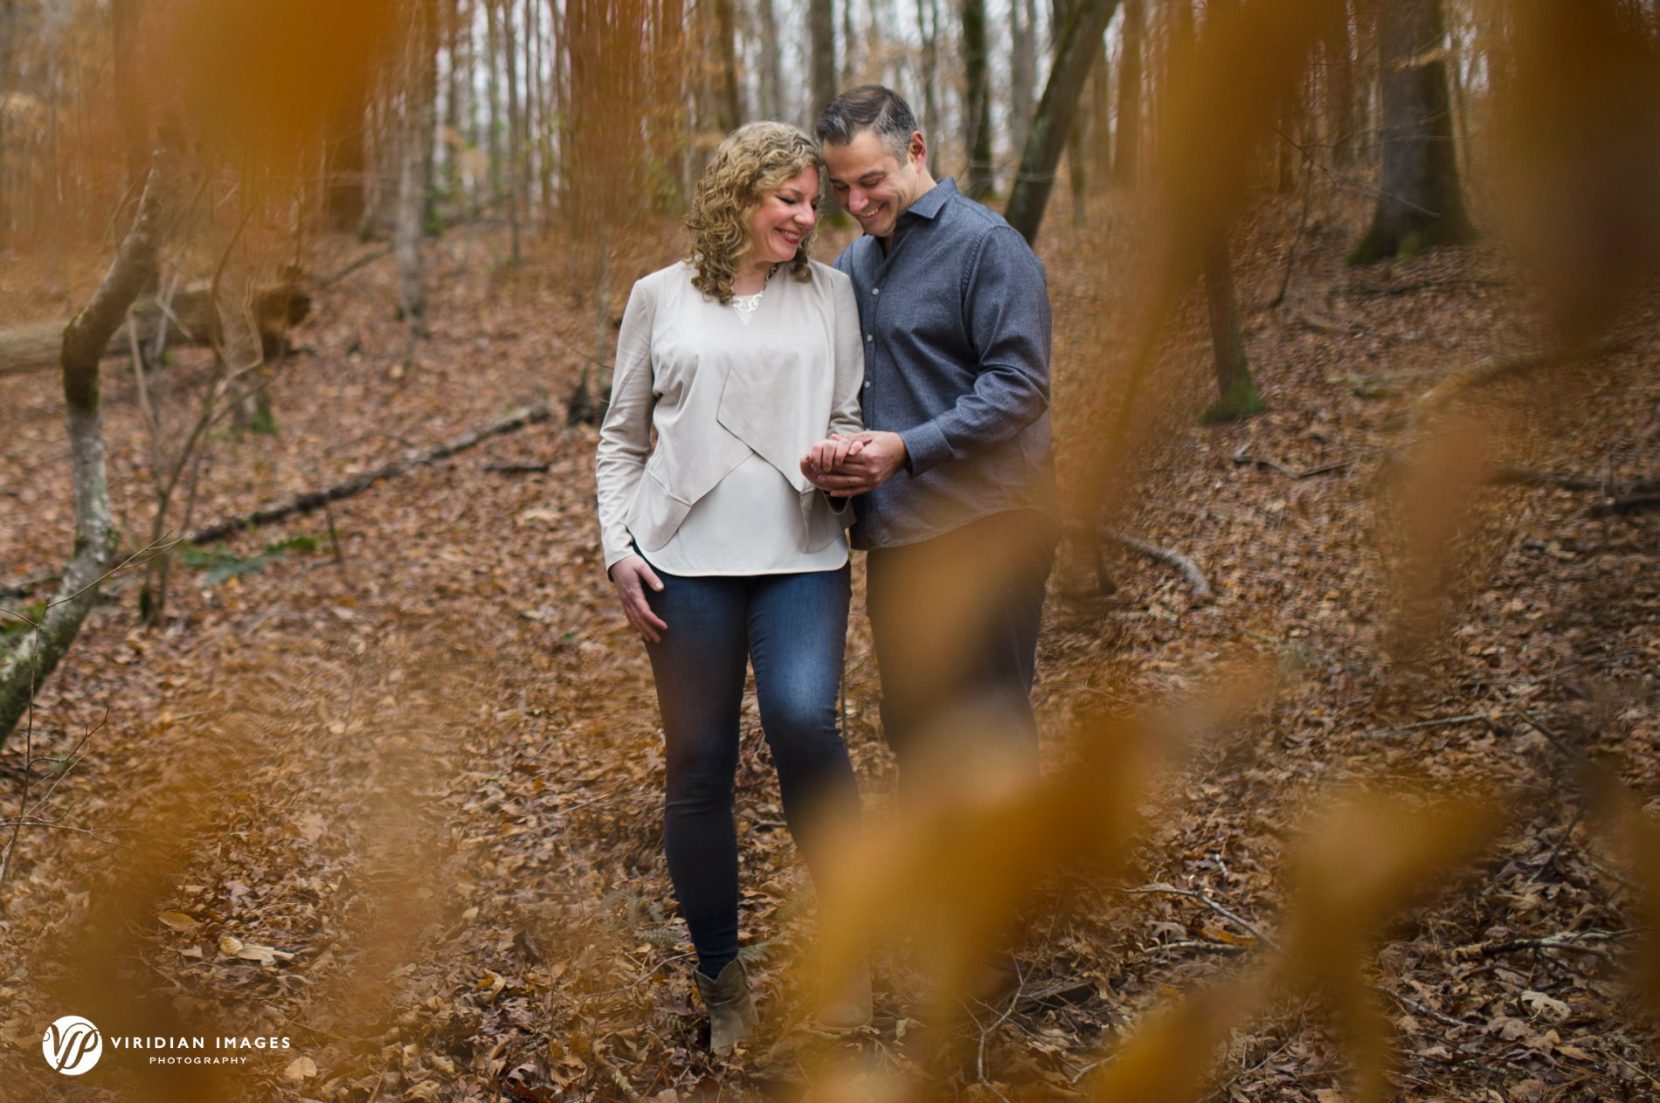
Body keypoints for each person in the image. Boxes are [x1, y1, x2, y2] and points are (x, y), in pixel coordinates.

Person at [594, 122, 870, 1055]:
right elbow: (621, 439)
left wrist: (840, 463)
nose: (806, 217)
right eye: (788, 199)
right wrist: (617, 550)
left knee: (804, 722)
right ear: (739, 196)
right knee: (699, 761)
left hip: (801, 554)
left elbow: (846, 414)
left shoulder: (831, 294)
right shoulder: (658, 296)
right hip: (683, 566)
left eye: (813, 202)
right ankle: (721, 976)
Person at [802, 85, 1058, 790]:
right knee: (914, 729)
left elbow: (1021, 385)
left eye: (870, 181)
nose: (855, 203)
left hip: (990, 522)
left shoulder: (988, 246)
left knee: (990, 727)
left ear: (916, 150)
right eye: (841, 188)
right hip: (899, 535)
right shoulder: (854, 266)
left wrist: (908, 448)